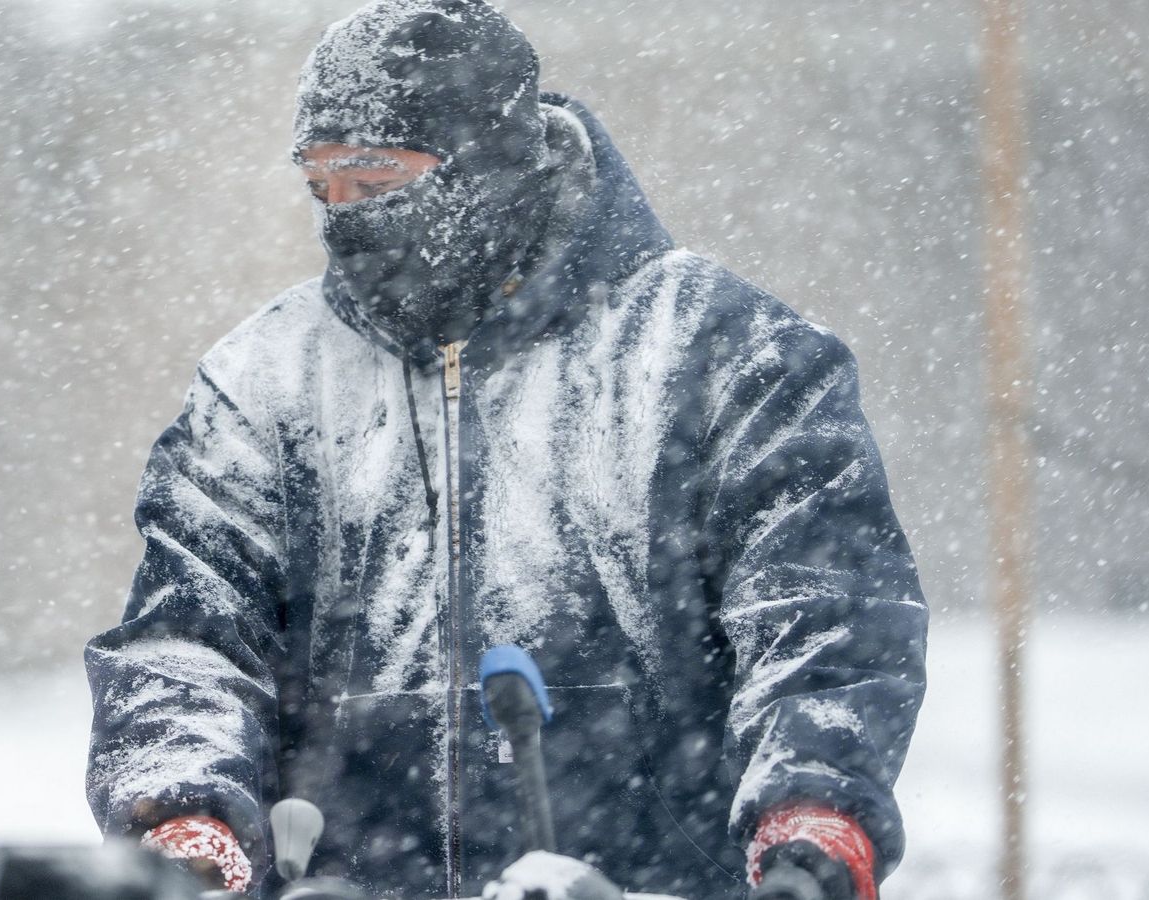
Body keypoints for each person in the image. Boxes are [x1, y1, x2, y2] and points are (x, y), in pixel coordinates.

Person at [84, 2, 928, 899]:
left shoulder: (720, 355)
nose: (344, 217)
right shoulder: (263, 380)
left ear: (487, 164)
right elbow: (189, 643)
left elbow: (825, 621)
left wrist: (811, 816)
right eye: (322, 185)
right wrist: (184, 821)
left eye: (374, 181)